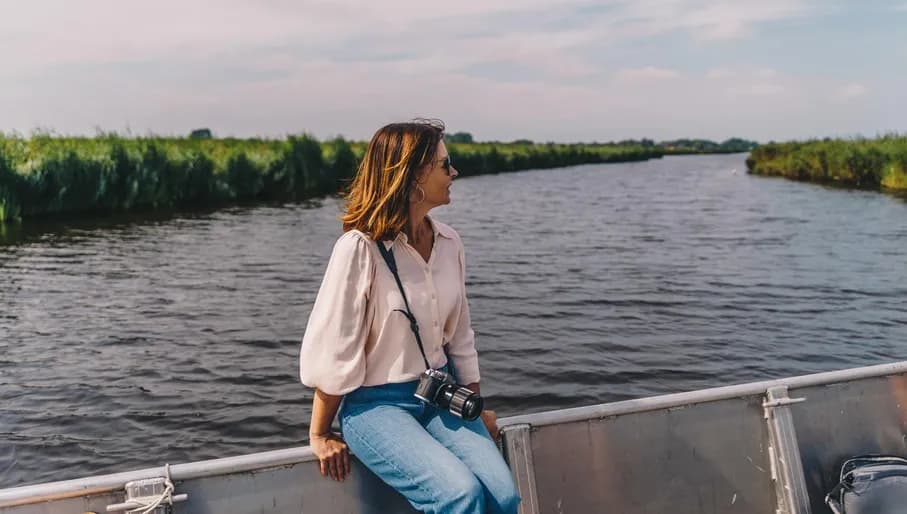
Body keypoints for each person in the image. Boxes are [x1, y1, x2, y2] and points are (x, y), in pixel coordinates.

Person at [299, 119, 521, 514]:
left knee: (503, 496)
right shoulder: (359, 249)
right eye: (444, 164)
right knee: (460, 495)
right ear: (413, 175)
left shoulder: (450, 242)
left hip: (439, 395)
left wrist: (475, 404)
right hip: (376, 406)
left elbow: (461, 337)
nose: (454, 172)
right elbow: (335, 349)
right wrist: (320, 433)